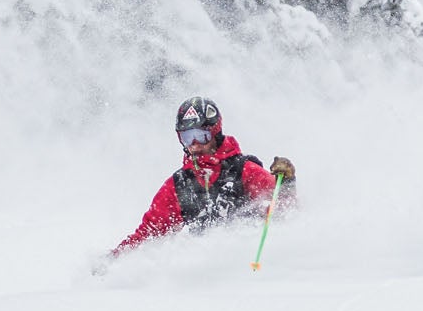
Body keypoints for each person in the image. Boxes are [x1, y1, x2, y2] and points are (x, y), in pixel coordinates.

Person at [112, 97, 295, 256]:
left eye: (200, 136)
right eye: (187, 137)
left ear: (215, 132)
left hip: (247, 264)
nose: (194, 145)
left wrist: (287, 182)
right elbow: (149, 234)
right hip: (205, 278)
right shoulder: (180, 185)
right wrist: (114, 259)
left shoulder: (244, 170)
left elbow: (286, 211)